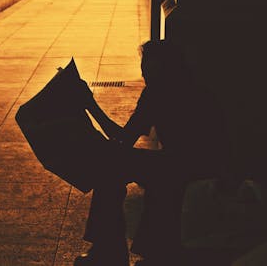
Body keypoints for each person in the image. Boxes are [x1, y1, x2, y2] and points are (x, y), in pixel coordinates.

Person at [74, 40, 230, 266]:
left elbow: (123, 140)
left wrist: (90, 106)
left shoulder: (157, 92)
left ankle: (108, 249)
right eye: (144, 71)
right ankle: (125, 251)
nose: (146, 77)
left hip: (184, 166)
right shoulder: (192, 87)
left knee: (112, 167)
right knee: (126, 166)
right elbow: (125, 140)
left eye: (149, 72)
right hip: (193, 163)